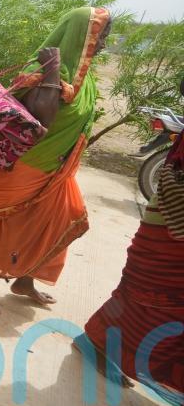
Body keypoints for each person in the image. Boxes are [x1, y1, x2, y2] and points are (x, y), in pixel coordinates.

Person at [0, 6, 112, 313]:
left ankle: (26, 280)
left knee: (62, 219)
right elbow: (38, 120)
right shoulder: (44, 66)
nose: (101, 45)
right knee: (5, 224)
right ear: (81, 35)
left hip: (56, 169)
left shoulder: (83, 77)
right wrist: (51, 71)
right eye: (99, 37)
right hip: (23, 164)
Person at [81, 129, 184, 403]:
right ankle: (100, 344)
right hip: (168, 236)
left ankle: (100, 341)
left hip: (167, 233)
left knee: (142, 302)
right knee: (145, 300)